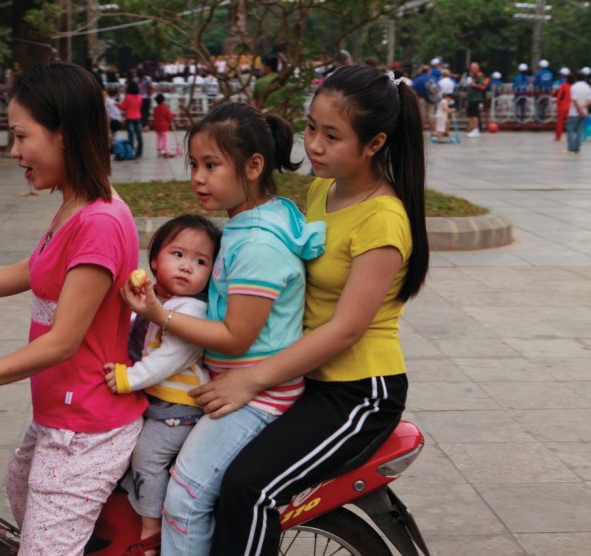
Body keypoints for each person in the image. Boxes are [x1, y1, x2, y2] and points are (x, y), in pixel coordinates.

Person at [189, 64, 429, 556]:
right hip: (303, 376)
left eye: (332, 135)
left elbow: (345, 330)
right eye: (311, 128)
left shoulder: (384, 220)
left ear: (374, 143)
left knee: (250, 490)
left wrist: (250, 379)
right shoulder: (326, 188)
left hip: (356, 394)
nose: (314, 145)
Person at [0, 61, 146, 555]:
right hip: (57, 413)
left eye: (21, 136)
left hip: (85, 428)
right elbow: (38, 266)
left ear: (64, 134)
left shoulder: (99, 221)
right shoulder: (77, 205)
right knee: (18, 488)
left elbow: (63, 342)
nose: (14, 151)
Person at [121, 102, 326, 555]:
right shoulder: (256, 218)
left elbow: (237, 335)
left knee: (186, 500)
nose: (197, 177)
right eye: (194, 164)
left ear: (253, 166)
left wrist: (161, 316)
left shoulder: (256, 244)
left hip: (257, 395)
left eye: (211, 165)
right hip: (236, 382)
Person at [104, 215, 222, 555]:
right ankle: (144, 503)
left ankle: (151, 529)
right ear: (155, 259)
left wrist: (129, 378)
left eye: (200, 261)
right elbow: (132, 329)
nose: (187, 267)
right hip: (155, 404)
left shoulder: (193, 312)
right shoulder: (158, 299)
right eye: (178, 255)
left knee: (146, 458)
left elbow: (168, 358)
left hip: (179, 410)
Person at [566, 72, 590, 156]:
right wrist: (583, 109)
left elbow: (574, 100)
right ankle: (577, 149)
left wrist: (579, 110)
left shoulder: (574, 87)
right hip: (584, 112)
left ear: (576, 78)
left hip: (574, 112)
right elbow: (589, 100)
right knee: (580, 131)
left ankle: (571, 148)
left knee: (571, 130)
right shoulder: (587, 87)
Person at [118, 80, 143, 158]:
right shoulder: (140, 97)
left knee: (131, 136)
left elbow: (123, 107)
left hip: (130, 118)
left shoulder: (128, 97)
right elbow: (140, 106)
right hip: (138, 117)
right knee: (139, 135)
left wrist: (116, 104)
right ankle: (139, 152)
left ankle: (131, 152)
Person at [464, 62, 489, 137]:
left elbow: (483, 87)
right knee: (471, 114)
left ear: (477, 68)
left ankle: (476, 129)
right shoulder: (471, 76)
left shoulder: (480, 76)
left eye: (473, 68)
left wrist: (474, 85)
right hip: (470, 98)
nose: (471, 69)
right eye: (471, 67)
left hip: (476, 98)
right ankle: (472, 128)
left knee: (475, 114)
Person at [152, 93, 175, 157]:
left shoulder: (155, 109)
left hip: (157, 127)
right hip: (164, 127)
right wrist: (173, 115)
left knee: (159, 139)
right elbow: (169, 117)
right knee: (165, 139)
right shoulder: (164, 108)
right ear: (163, 100)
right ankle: (167, 151)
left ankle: (159, 151)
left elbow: (155, 116)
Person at [555, 69, 572, 142]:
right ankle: (569, 138)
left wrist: (558, 105)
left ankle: (558, 137)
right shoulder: (573, 86)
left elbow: (559, 97)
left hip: (563, 106)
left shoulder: (562, 85)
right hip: (571, 107)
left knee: (560, 123)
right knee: (570, 124)